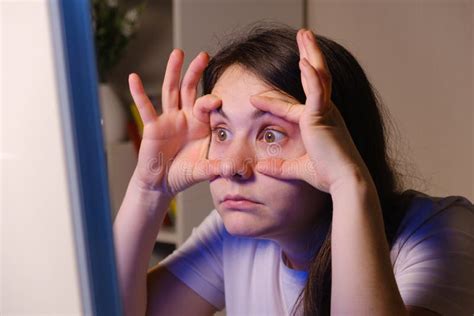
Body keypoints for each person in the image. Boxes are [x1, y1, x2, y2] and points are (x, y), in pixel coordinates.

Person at [113, 24, 474, 316]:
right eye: (221, 132)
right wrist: (149, 191)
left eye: (271, 134)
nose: (232, 166)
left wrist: (348, 182)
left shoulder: (442, 229)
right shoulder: (234, 236)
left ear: (341, 142)